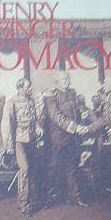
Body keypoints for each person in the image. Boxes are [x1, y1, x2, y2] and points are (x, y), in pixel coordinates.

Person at [43, 71, 89, 207]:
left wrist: (81, 115)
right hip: (57, 138)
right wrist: (74, 127)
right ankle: (49, 198)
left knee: (72, 167)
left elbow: (75, 112)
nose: (68, 81)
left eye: (68, 79)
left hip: (72, 138)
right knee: (53, 167)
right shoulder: (51, 95)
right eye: (65, 79)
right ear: (57, 82)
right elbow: (55, 115)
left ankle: (75, 197)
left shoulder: (72, 93)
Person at [5, 78, 41, 217]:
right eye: (28, 87)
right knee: (24, 169)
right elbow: (9, 125)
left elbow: (34, 119)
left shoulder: (31, 101)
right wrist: (9, 145)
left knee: (29, 170)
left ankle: (24, 201)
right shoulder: (12, 101)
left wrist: (38, 128)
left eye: (30, 87)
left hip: (31, 140)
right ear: (20, 88)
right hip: (19, 140)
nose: (30, 89)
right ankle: (25, 205)